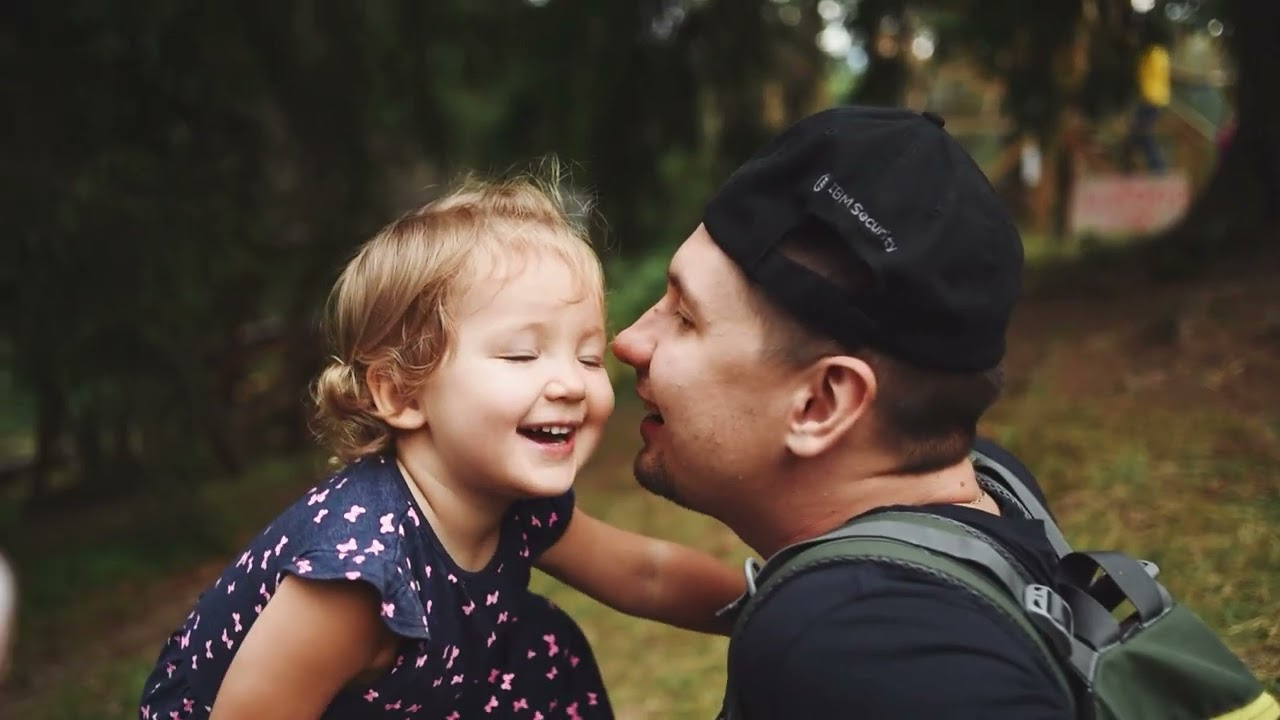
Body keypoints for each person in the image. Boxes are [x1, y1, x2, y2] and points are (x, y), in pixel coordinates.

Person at [139, 172, 744, 720]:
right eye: (521, 355)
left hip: (439, 693)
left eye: (586, 355)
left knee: (537, 643)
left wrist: (769, 601)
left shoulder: (511, 503)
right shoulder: (359, 573)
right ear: (402, 393)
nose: (570, 383)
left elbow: (646, 575)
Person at [612, 106, 1074, 718]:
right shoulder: (991, 485)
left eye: (686, 317)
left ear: (822, 403)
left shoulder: (856, 649)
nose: (628, 341)